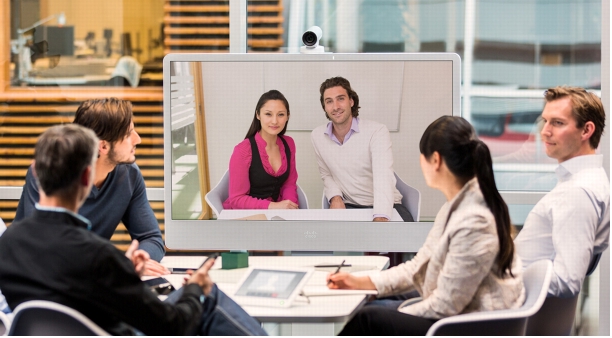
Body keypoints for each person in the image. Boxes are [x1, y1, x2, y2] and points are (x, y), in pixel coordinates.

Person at [0, 124, 267, 336]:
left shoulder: (8, 243)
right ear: (86, 177)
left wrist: (123, 271)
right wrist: (194, 290)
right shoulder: (98, 256)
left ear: (36, 171)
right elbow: (171, 327)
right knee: (208, 299)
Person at [327, 116, 525, 335]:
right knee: (374, 304)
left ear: (436, 160)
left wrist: (400, 310)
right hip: (460, 311)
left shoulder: (474, 219)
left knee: (369, 318)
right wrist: (361, 282)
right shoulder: (456, 205)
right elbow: (418, 266)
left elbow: (446, 305)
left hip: (471, 324)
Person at [14, 98, 167, 274]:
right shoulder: (50, 173)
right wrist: (114, 267)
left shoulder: (129, 174)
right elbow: (44, 249)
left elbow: (151, 238)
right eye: (128, 134)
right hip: (39, 283)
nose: (137, 139)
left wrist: (132, 262)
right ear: (103, 146)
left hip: (89, 281)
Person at [515, 86, 609, 298]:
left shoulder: (578, 192)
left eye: (557, 123)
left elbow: (567, 282)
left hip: (505, 310)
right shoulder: (581, 181)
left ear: (586, 130)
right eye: (545, 121)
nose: (545, 131)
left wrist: (498, 281)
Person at [310, 76, 412, 222]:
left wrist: (381, 216)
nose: (336, 106)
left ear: (351, 101)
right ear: (324, 107)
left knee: (402, 243)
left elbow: (383, 177)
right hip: (350, 206)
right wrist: (335, 196)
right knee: (332, 242)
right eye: (329, 101)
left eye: (341, 99)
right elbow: (326, 174)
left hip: (387, 205)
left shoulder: (377, 131)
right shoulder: (317, 136)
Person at [223, 90, 299, 209]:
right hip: (249, 213)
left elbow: (289, 183)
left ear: (287, 116)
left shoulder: (289, 143)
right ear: (258, 115)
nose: (274, 121)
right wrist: (273, 206)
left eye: (281, 114)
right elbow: (236, 199)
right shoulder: (242, 151)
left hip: (277, 212)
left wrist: (290, 206)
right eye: (268, 114)